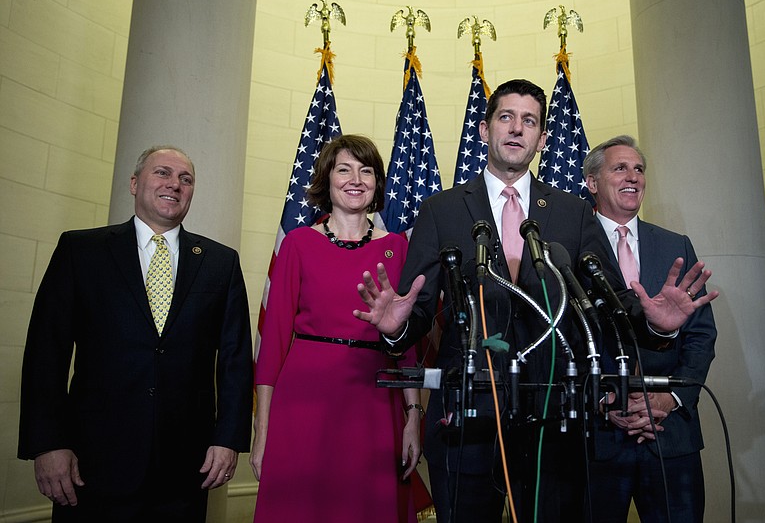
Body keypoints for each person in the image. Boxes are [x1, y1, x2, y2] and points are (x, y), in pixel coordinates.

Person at [353, 79, 718, 522]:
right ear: (484, 130)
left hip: (555, 419)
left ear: (542, 139)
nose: (516, 129)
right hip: (468, 417)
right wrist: (397, 330)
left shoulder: (573, 212)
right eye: (506, 117)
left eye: (529, 121)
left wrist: (659, 325)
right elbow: (419, 306)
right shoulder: (440, 210)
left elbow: (611, 303)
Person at [17, 145, 254, 521]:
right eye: (162, 173)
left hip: (184, 467)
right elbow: (47, 353)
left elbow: (236, 360)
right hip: (91, 464)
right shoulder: (81, 250)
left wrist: (228, 439)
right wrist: (48, 444)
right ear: (134, 183)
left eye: (185, 179)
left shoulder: (220, 263)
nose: (174, 184)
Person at [250, 134, 424, 522]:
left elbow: (408, 344)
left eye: (366, 171)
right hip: (302, 403)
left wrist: (413, 416)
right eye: (343, 169)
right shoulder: (297, 243)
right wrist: (262, 431)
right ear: (326, 180)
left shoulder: (397, 247)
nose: (355, 179)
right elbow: (274, 342)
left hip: (374, 401)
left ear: (378, 183)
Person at [583, 135, 716, 522]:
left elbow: (701, 335)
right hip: (598, 437)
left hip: (671, 437)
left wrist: (668, 400)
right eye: (620, 168)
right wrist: (606, 402)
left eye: (639, 169)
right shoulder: (569, 246)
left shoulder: (676, 245)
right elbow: (564, 342)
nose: (633, 176)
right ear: (592, 183)